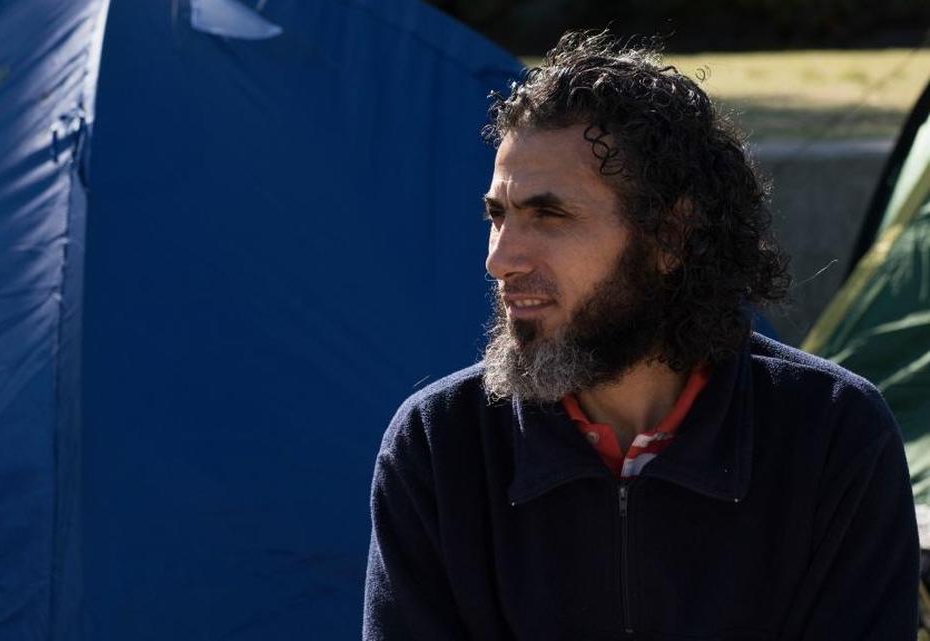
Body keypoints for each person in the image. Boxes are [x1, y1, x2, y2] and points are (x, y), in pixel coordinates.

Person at [363, 31, 919, 640]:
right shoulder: (440, 445)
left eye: (549, 215)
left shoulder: (832, 432)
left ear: (670, 236)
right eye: (498, 216)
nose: (501, 259)